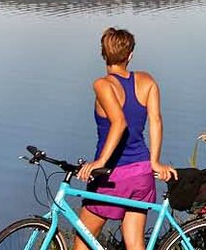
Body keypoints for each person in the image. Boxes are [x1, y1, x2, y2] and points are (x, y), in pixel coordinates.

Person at [76, 27, 177, 250]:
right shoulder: (147, 81)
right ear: (130, 55)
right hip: (142, 173)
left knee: (82, 240)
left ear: (103, 54)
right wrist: (154, 162)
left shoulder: (102, 85)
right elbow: (156, 121)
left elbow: (119, 122)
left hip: (112, 175)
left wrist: (101, 162)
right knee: (134, 244)